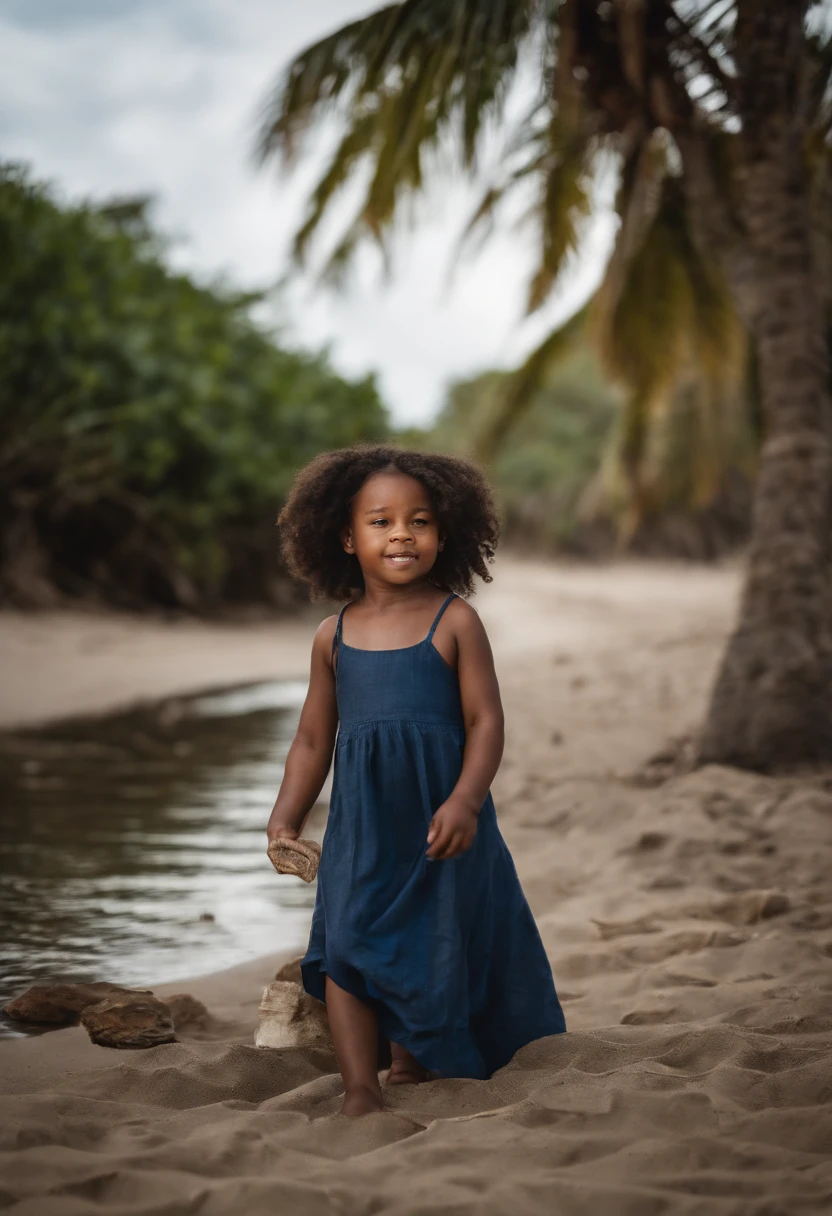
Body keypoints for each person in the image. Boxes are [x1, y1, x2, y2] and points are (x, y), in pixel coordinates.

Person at [266, 444, 566, 1115]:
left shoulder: (453, 620)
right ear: (345, 537)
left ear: (443, 534)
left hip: (441, 818)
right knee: (345, 942)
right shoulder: (332, 636)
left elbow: (486, 722)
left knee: (433, 937)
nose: (402, 532)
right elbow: (313, 738)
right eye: (381, 521)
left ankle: (409, 1060)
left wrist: (465, 800)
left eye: (419, 520)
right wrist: (284, 819)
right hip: (363, 825)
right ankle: (358, 1087)